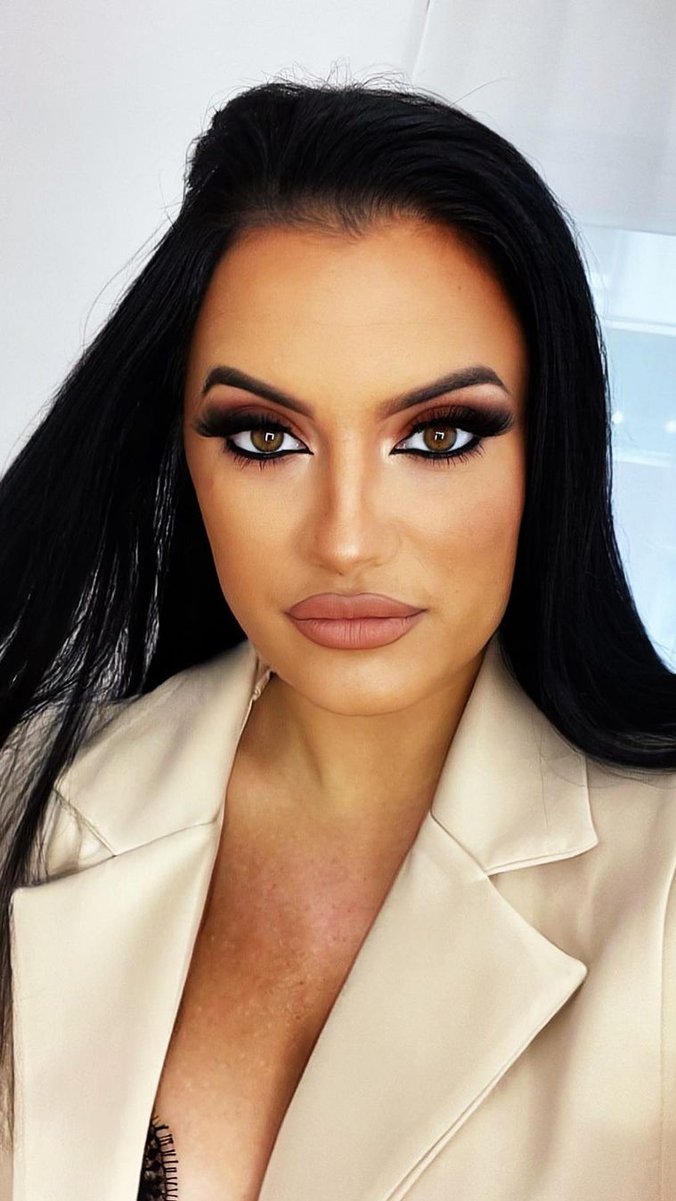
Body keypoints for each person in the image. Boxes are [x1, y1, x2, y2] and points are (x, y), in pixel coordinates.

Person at [0, 76, 675, 1201]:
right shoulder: (23, 791)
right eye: (265, 438)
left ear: (546, 451)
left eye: (439, 435)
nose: (347, 540)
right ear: (183, 453)